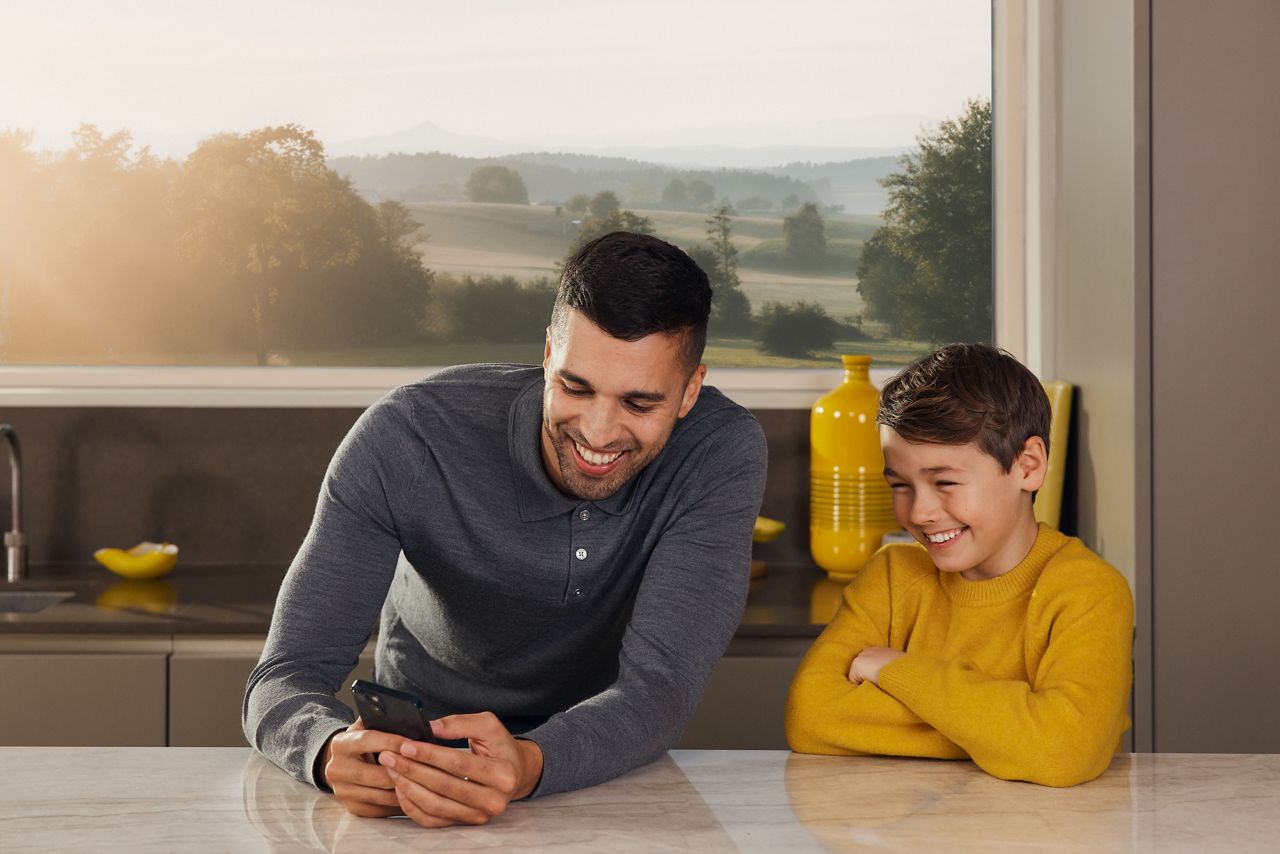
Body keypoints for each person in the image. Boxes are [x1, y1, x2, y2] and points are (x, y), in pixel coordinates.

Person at [244, 231, 767, 827]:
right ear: (548, 354)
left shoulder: (721, 452)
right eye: (576, 386)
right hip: (414, 782)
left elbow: (659, 690)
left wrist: (529, 763)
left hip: (598, 781)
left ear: (690, 391)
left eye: (639, 404)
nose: (598, 432)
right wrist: (325, 750)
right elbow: (285, 675)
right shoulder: (407, 435)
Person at [785, 343, 1133, 787]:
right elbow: (809, 716)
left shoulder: (1089, 591)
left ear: (1028, 467)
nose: (920, 512)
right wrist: (1004, 733)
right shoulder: (891, 577)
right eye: (900, 485)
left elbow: (1063, 750)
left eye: (944, 481)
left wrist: (895, 670)